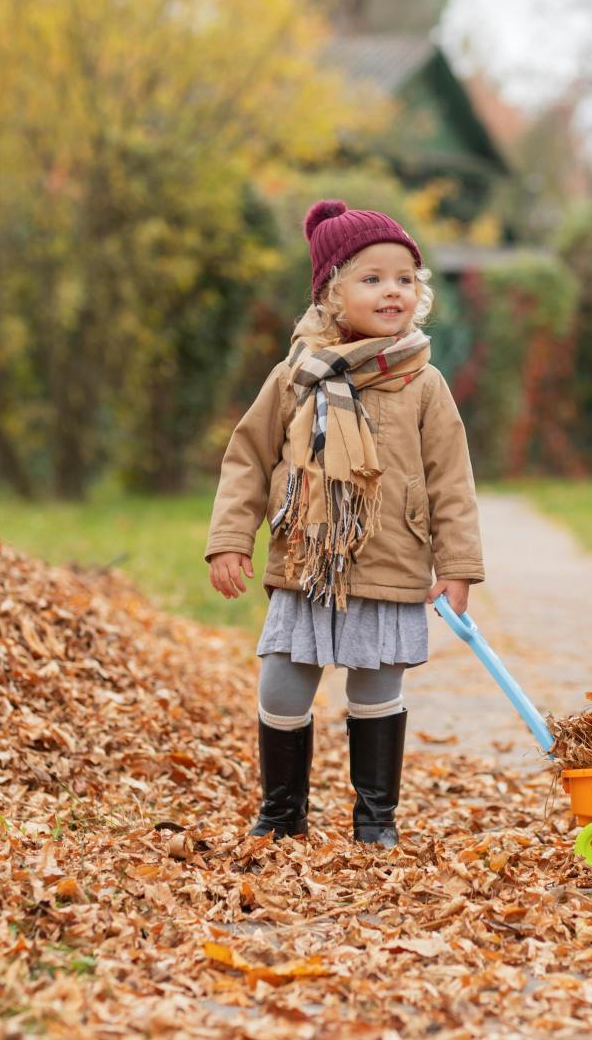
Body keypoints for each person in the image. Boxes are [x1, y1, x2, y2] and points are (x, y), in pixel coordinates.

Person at [205, 200, 485, 848]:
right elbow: (247, 459)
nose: (393, 290)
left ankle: (375, 818)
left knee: (377, 687)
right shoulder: (295, 377)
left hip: (390, 560)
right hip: (306, 561)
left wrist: (458, 567)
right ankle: (282, 811)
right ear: (332, 295)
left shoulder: (424, 383)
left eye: (405, 278)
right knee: (282, 678)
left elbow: (451, 481)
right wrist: (229, 539)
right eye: (372, 278)